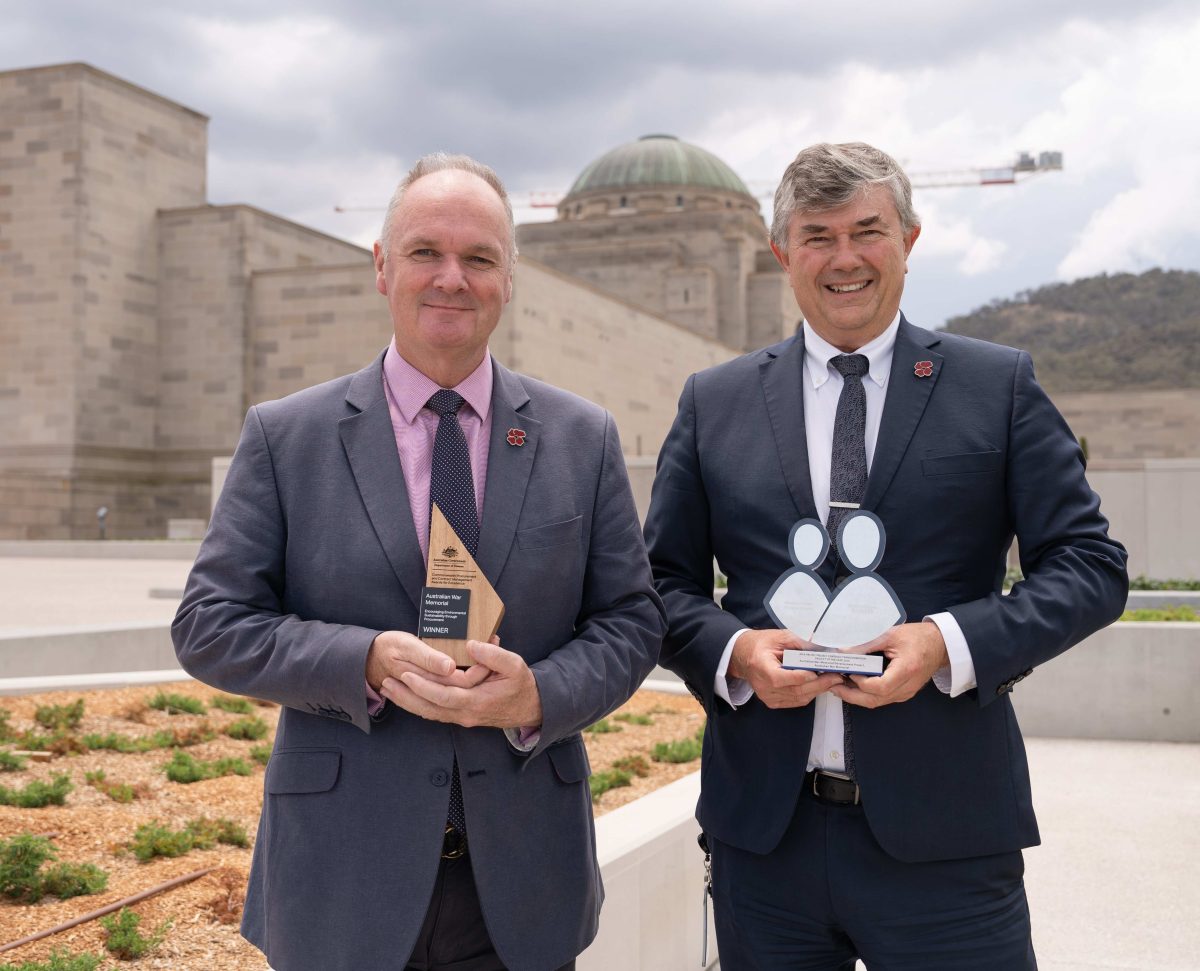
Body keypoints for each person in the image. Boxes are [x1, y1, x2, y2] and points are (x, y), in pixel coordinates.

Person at [173, 153, 664, 971]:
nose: (451, 278)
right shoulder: (285, 435)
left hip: (522, 881)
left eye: (479, 259)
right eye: (425, 252)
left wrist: (539, 692)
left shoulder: (584, 438)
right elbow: (208, 624)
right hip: (341, 877)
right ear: (380, 265)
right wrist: (360, 658)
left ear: (511, 280)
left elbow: (632, 621)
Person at [644, 141, 1128, 969]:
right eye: (817, 235)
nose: (844, 259)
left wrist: (948, 642)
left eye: (866, 231)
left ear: (907, 239)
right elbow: (659, 584)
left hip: (949, 841)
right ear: (782, 252)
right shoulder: (713, 402)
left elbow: (1090, 565)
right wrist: (733, 650)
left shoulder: (998, 386)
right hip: (766, 842)